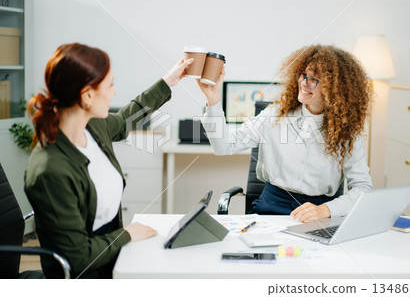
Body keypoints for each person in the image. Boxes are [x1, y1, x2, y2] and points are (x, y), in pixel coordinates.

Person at [25, 43, 193, 278]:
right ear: (87, 95)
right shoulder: (49, 168)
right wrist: (127, 234)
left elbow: (126, 118)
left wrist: (168, 81)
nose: (114, 92)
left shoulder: (92, 126)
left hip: (110, 255)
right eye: (110, 84)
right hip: (84, 274)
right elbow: (78, 256)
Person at [197, 44, 373, 222]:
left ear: (335, 89)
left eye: (313, 79)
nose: (303, 83)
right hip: (271, 207)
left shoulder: (348, 131)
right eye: (302, 74)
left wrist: (325, 210)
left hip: (319, 213)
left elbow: (363, 188)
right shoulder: (275, 114)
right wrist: (213, 99)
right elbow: (223, 146)